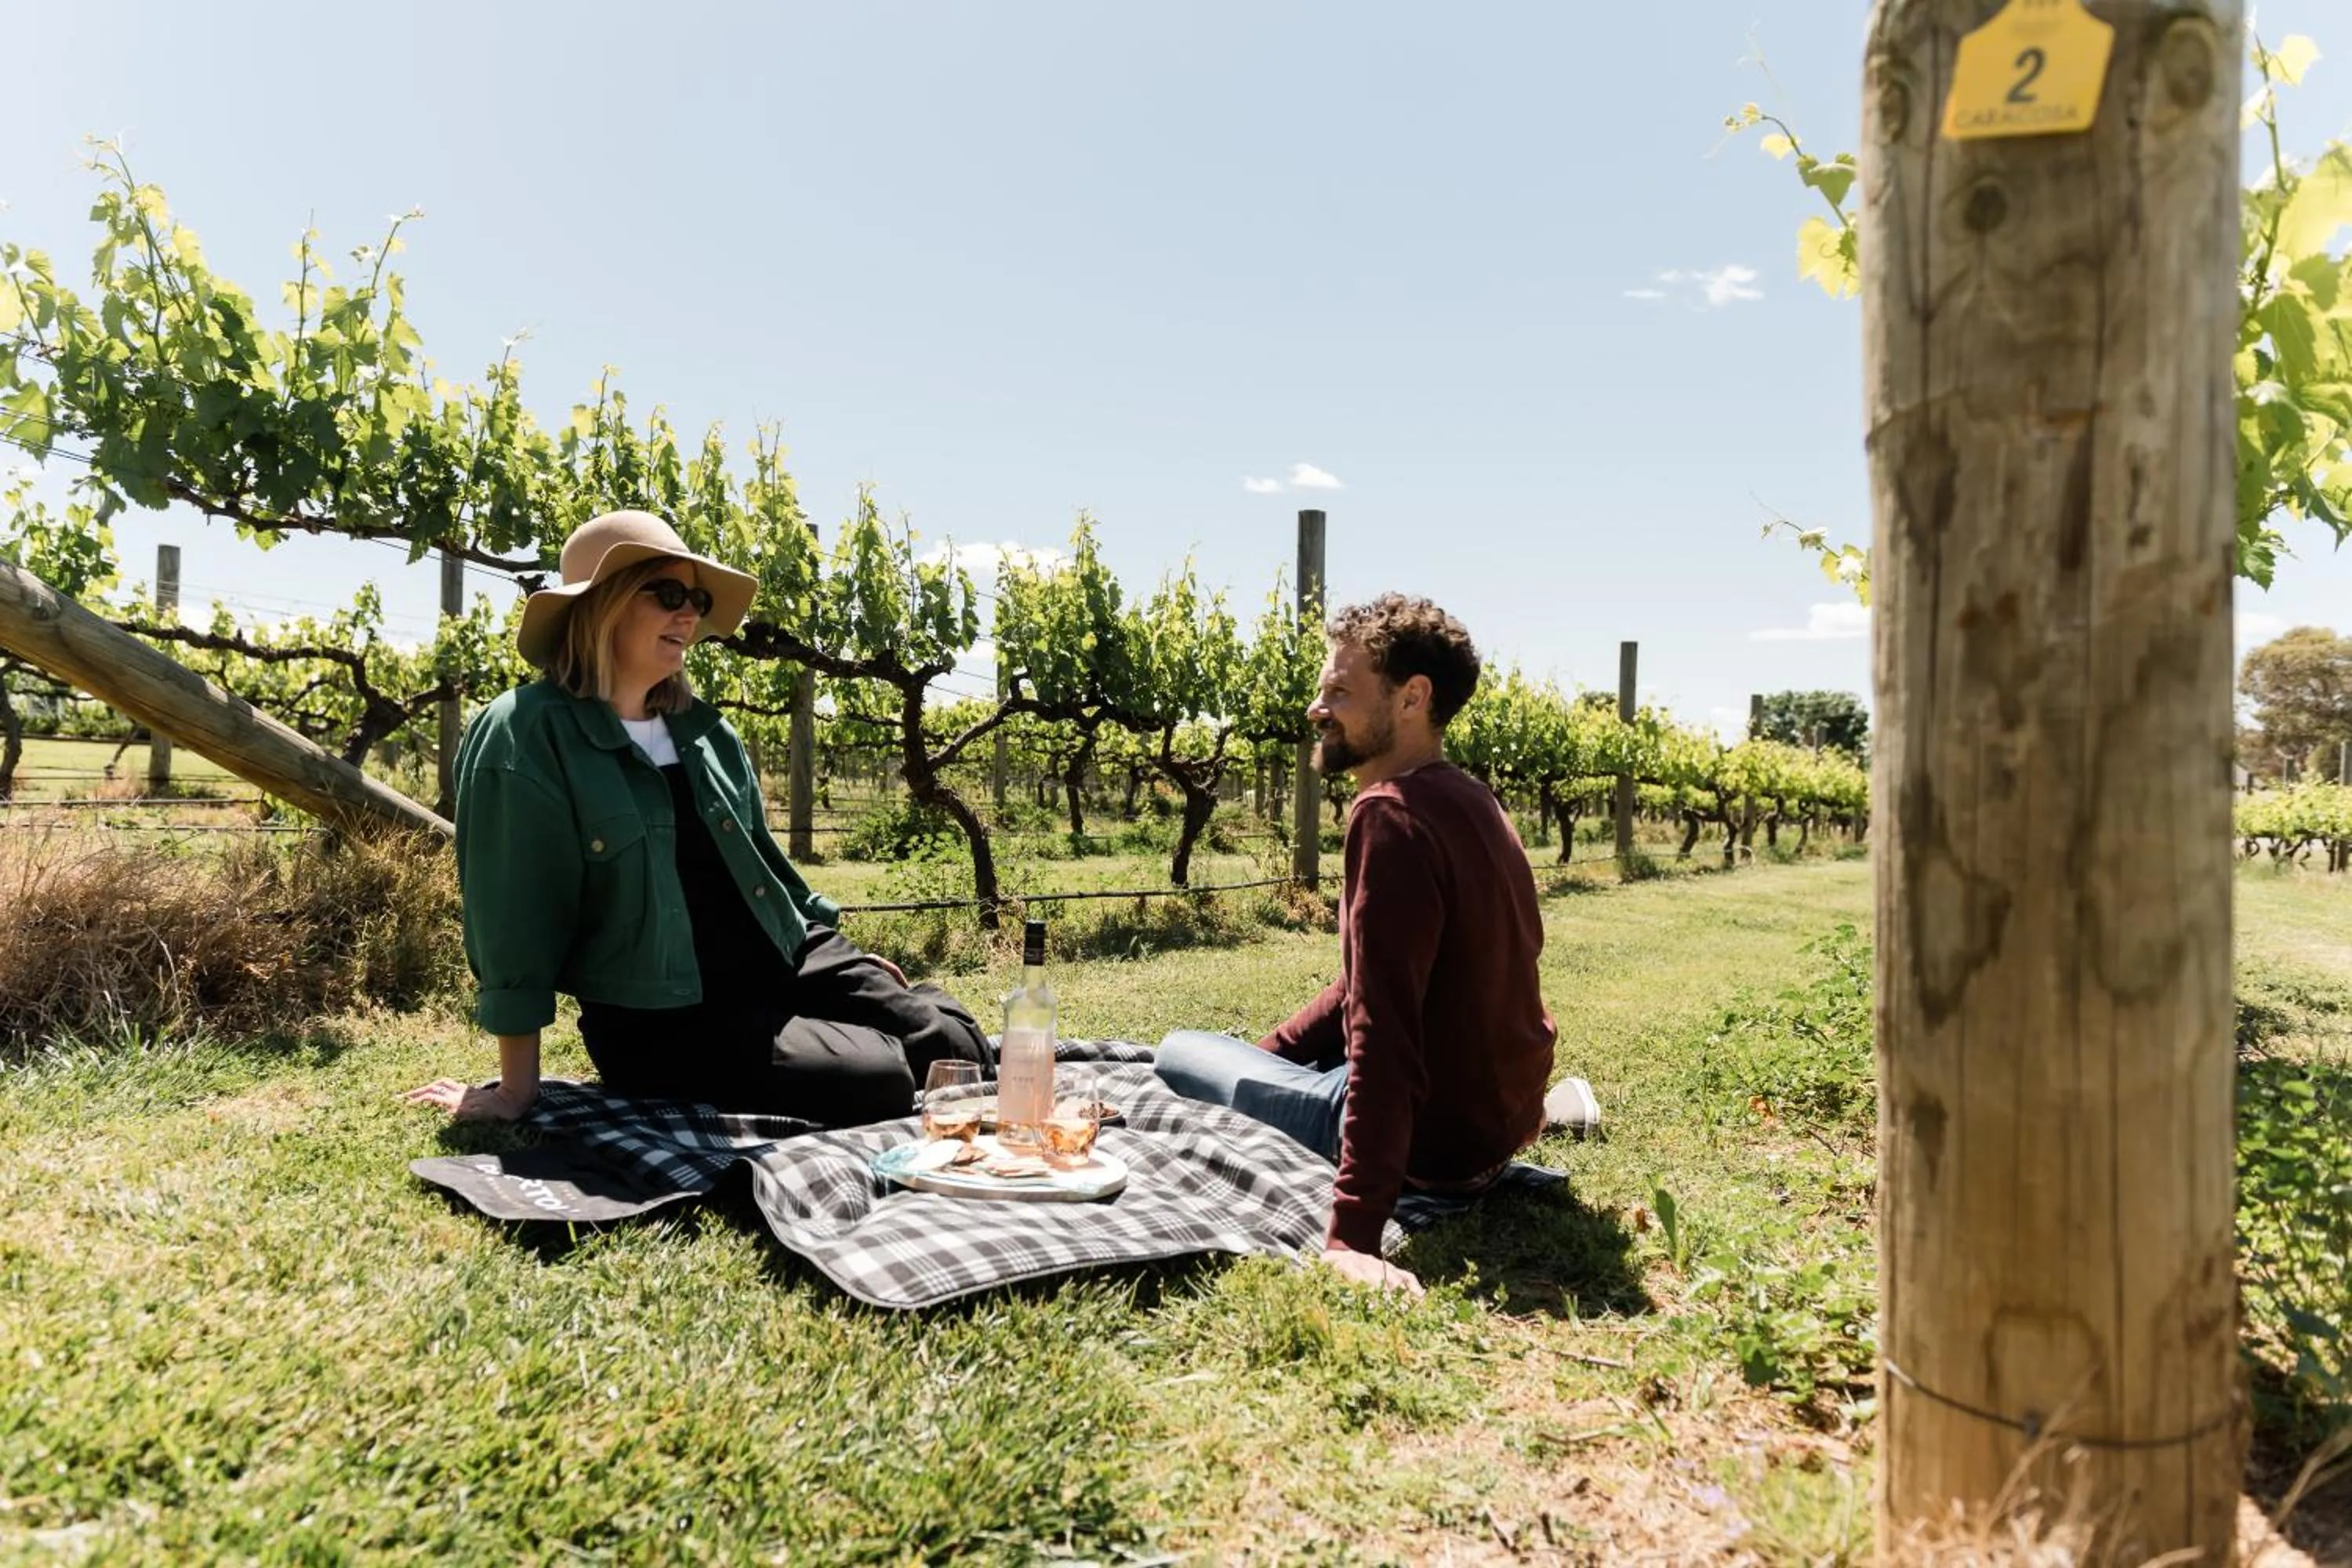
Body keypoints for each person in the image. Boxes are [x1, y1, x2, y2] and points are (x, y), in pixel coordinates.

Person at [405, 510, 989, 1127]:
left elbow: (765, 862)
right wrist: (516, 1090)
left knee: (957, 1052)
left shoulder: (706, 731)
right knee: (878, 1080)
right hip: (665, 1015)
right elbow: (512, 917)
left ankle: (849, 1026)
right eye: (668, 594)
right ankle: (840, 1041)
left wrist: (841, 951)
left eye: (698, 598)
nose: (689, 615)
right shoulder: (526, 733)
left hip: (782, 954)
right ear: (601, 604)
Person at [1153, 594, 1556, 1295]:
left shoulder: (1390, 816)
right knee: (1244, 1060)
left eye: (1340, 690)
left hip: (1429, 1150)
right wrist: (1264, 1056)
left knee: (1178, 1053)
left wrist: (1354, 1234)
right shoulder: (1472, 799)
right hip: (1491, 1130)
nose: (1318, 707)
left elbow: (1384, 1032)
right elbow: (1361, 989)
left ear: (1412, 698)